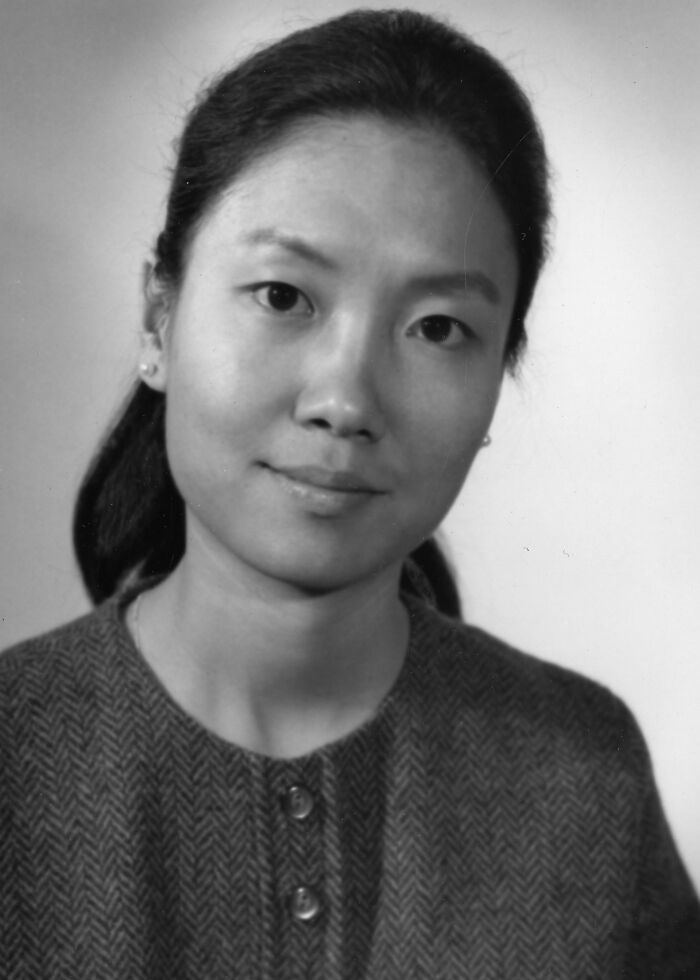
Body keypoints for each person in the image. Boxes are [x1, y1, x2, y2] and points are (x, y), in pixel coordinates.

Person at [1, 8, 698, 978]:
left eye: (438, 328)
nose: (345, 400)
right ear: (160, 319)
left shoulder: (586, 778)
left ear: (499, 375)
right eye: (283, 295)